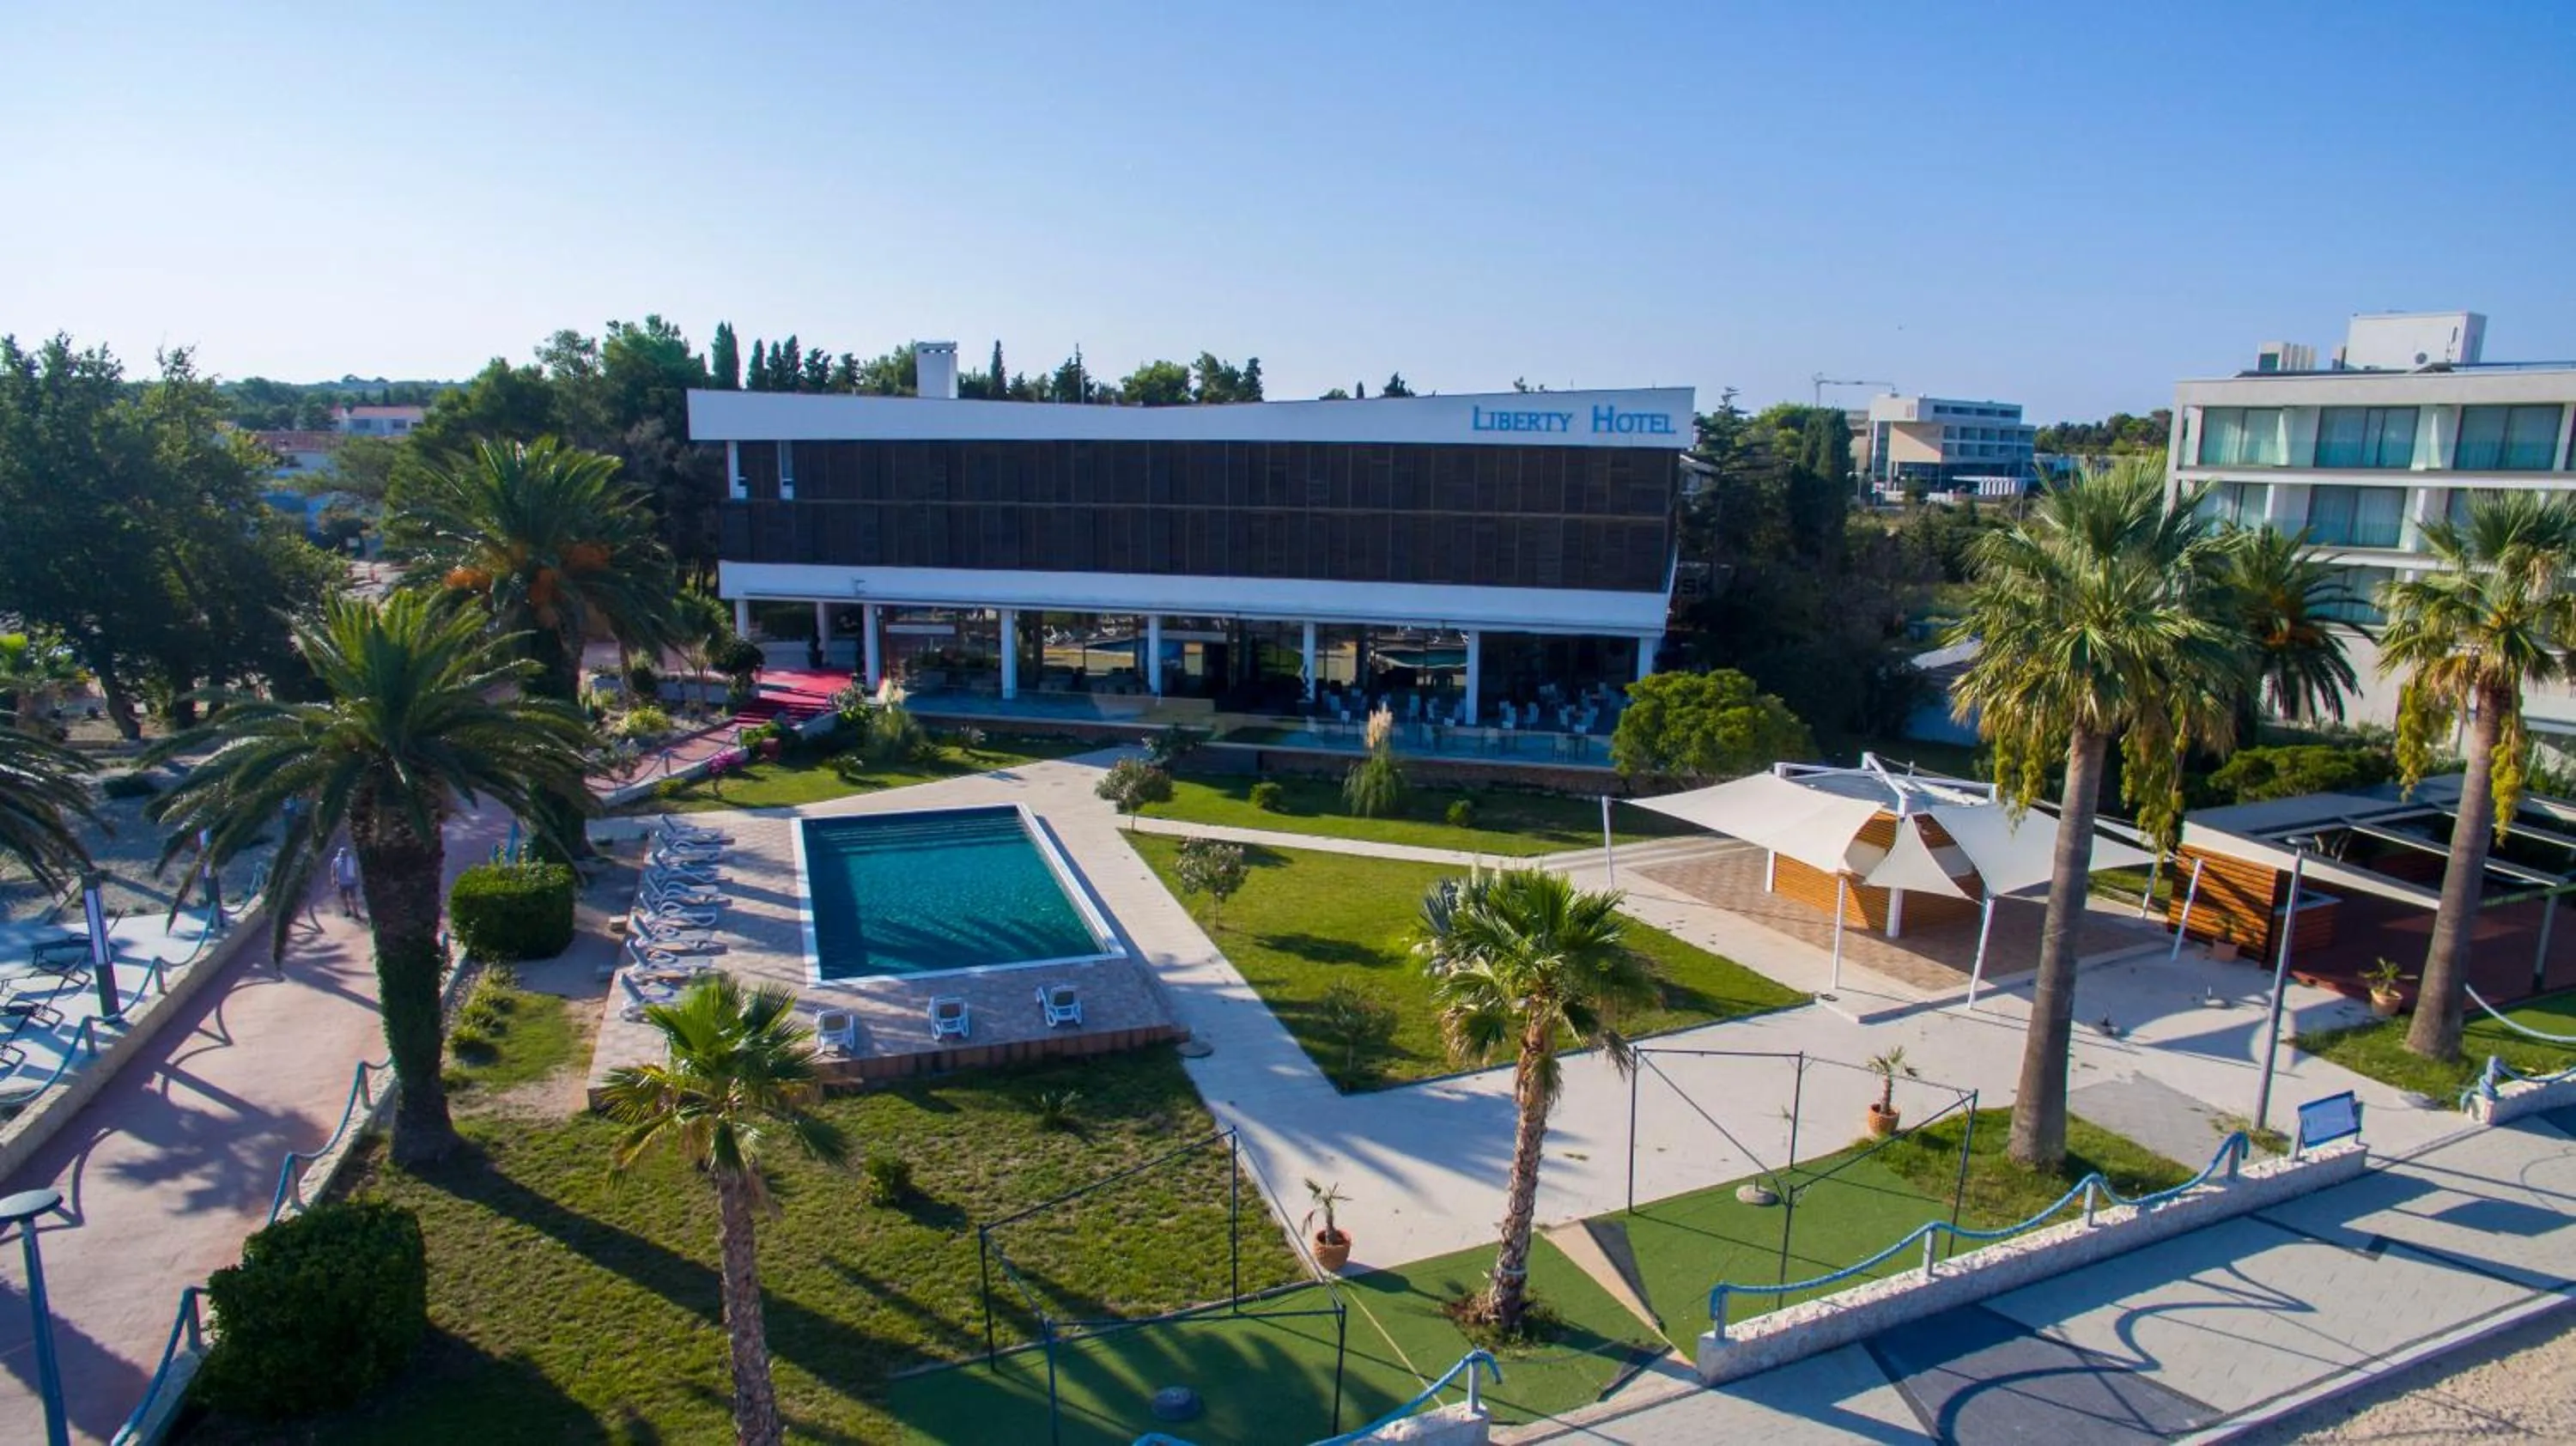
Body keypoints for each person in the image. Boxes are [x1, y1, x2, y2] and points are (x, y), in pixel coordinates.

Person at [333, 846, 361, 920]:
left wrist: (334, 881)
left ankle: (352, 912)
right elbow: (353, 872)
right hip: (345, 883)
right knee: (348, 898)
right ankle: (351, 912)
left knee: (349, 898)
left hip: (346, 883)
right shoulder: (341, 860)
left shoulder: (338, 861)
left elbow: (353, 872)